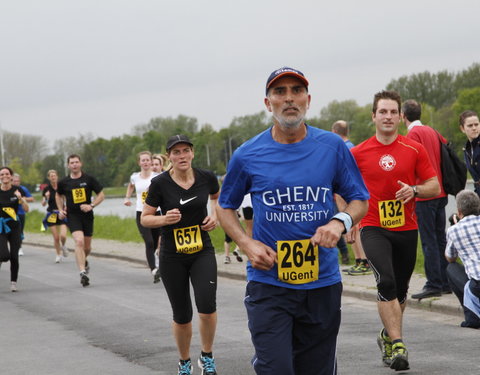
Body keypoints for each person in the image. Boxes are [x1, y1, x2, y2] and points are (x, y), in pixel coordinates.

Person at [217, 67, 369, 375]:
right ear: (267, 102)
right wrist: (246, 244)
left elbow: (360, 200)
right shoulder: (248, 154)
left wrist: (339, 223)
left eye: (296, 91)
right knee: (276, 368)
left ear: (308, 100)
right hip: (270, 283)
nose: (289, 98)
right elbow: (224, 206)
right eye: (280, 92)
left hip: (322, 282)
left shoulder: (332, 147)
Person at [351, 90, 440, 371]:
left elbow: (434, 186)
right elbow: (344, 189)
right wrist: (348, 219)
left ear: (400, 117)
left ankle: (386, 335)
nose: (387, 117)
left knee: (400, 290)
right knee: (386, 282)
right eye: (382, 112)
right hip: (373, 226)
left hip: (406, 227)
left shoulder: (414, 149)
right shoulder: (358, 153)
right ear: (373, 116)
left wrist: (414, 190)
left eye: (392, 112)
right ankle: (399, 343)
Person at [141, 135, 220, 375]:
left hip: (201, 250)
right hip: (172, 255)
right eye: (176, 152)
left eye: (186, 151)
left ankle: (206, 356)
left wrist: (214, 216)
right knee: (182, 314)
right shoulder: (160, 183)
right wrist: (165, 219)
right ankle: (184, 361)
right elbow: (145, 218)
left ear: (192, 153)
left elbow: (217, 198)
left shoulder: (206, 177)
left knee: (206, 306)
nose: (182, 156)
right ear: (169, 157)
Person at [401, 99, 451, 299]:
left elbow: (410, 162)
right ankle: (446, 280)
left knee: (429, 240)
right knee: (440, 239)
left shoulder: (413, 134)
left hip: (424, 193)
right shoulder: (432, 131)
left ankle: (433, 283)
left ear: (403, 116)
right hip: (440, 191)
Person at [56, 154, 105, 287]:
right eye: (72, 163)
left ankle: (84, 260)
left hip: (87, 216)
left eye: (76, 162)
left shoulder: (89, 179)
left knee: (87, 247)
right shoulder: (64, 182)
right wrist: (61, 209)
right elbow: (58, 194)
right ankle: (82, 272)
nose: (74, 165)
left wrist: (91, 205)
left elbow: (101, 194)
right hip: (73, 216)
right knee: (79, 242)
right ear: (68, 165)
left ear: (81, 163)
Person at [124, 151, 162, 282]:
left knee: (158, 242)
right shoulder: (135, 177)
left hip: (156, 213)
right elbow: (130, 186)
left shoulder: (157, 176)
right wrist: (127, 198)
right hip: (141, 213)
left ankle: (158, 264)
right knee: (149, 241)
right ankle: (154, 269)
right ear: (139, 162)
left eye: (147, 160)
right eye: (143, 160)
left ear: (151, 162)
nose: (145, 162)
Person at [444, 189, 480, 329]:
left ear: (459, 212)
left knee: (451, 269)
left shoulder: (455, 230)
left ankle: (472, 316)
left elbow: (450, 258)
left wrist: (455, 226)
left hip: (477, 284)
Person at [0, 167, 29, 292]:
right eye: (2, 174)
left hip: (15, 226)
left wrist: (20, 199)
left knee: (14, 256)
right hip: (1, 227)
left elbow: (27, 209)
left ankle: (13, 282)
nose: (4, 176)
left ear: (11, 176)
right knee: (4, 255)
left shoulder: (18, 190)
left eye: (7, 174)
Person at [41, 170, 69, 263]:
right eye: (51, 176)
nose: (53, 177)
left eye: (54, 175)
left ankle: (64, 246)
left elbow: (67, 199)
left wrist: (65, 209)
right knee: (56, 237)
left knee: (63, 236)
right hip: (52, 214)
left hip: (61, 213)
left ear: (57, 176)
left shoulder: (62, 187)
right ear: (48, 178)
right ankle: (58, 255)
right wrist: (46, 197)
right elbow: (43, 204)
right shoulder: (46, 189)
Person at [12, 173, 34, 256]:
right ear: (11, 181)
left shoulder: (23, 189)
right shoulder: (9, 189)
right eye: (14, 181)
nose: (16, 183)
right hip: (10, 213)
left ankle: (19, 247)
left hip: (21, 213)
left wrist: (24, 198)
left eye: (17, 181)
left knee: (19, 231)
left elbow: (32, 199)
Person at [459, 110, 480, 196]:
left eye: (476, 124)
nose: (474, 128)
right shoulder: (466, 149)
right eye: (470, 125)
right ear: (462, 128)